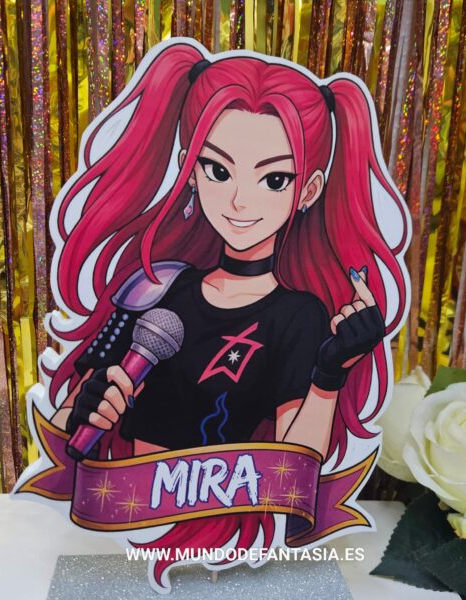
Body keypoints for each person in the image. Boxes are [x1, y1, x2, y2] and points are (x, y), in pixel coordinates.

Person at [44, 39, 409, 584]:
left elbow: (293, 471)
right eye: (218, 170)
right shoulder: (152, 287)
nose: (240, 201)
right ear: (189, 170)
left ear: (308, 190)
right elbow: (65, 424)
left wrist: (329, 374)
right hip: (131, 521)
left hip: (236, 534)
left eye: (274, 179)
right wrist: (86, 408)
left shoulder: (299, 316)